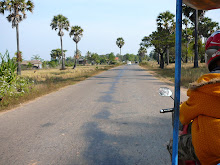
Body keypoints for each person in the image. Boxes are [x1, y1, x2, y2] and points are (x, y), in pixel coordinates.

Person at [167, 30, 220, 164]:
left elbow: (183, 116)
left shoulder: (205, 88)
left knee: (173, 146)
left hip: (212, 149)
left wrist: (182, 107)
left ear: (211, 54)